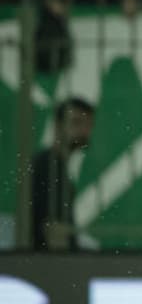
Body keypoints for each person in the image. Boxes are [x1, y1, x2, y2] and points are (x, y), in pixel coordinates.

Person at [31, 97, 95, 251]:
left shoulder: (56, 166)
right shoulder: (48, 167)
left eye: (88, 124)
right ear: (57, 126)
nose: (84, 130)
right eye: (76, 122)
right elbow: (51, 229)